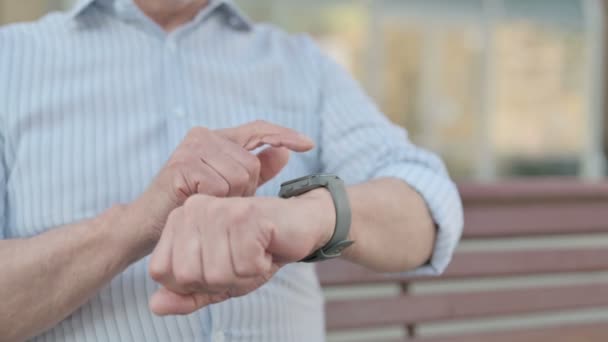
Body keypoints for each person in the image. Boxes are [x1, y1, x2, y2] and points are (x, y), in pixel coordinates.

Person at [0, 0, 463, 341]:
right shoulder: (12, 61)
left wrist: (308, 217)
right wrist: (139, 224)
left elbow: (427, 206)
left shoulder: (302, 64)